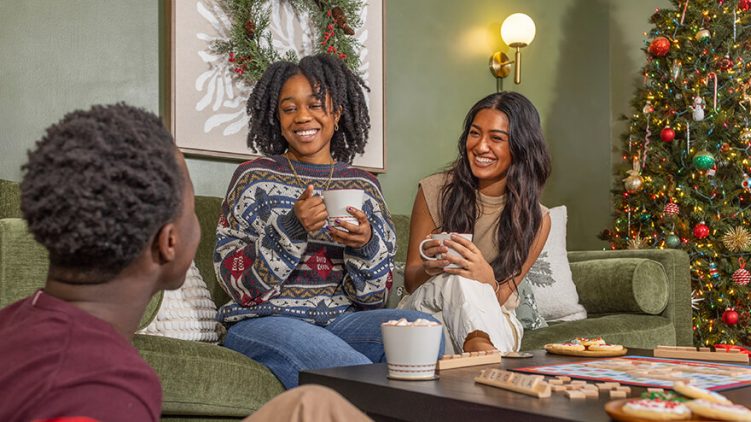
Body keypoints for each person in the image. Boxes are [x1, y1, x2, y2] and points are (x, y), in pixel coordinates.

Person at [0, 103, 372, 422]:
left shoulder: (15, 322)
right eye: (192, 212)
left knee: (314, 404)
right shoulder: (105, 387)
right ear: (169, 243)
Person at [214, 53, 440, 389]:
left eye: (316, 105)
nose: (302, 116)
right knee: (356, 373)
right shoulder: (253, 178)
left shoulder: (365, 186)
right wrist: (291, 229)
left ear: (337, 112)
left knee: (425, 332)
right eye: (289, 108)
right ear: (277, 117)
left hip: (342, 322)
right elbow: (234, 283)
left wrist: (365, 246)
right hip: (264, 321)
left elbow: (375, 299)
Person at [398, 92, 552, 354]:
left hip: (494, 315)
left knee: (446, 327)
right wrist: (432, 268)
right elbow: (412, 281)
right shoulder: (434, 190)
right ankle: (483, 351)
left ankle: (478, 353)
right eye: (474, 133)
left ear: (521, 146)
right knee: (456, 279)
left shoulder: (537, 219)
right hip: (426, 306)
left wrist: (486, 276)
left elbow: (500, 297)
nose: (481, 147)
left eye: (496, 138)